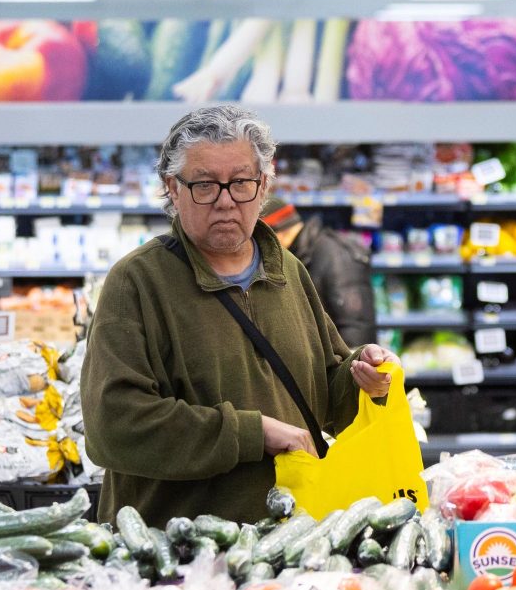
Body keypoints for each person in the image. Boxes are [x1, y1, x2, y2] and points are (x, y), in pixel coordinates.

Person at [81, 105, 401, 525]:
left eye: (241, 183)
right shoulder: (137, 282)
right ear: (172, 189)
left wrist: (365, 376)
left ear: (264, 185)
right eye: (205, 186)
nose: (226, 201)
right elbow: (114, 426)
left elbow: (325, 392)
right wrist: (251, 434)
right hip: (182, 555)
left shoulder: (287, 271)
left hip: (293, 543)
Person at [260, 196, 378, 348]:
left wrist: (348, 368)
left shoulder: (335, 256)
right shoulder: (299, 254)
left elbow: (357, 327)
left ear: (275, 232)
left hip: (341, 365)